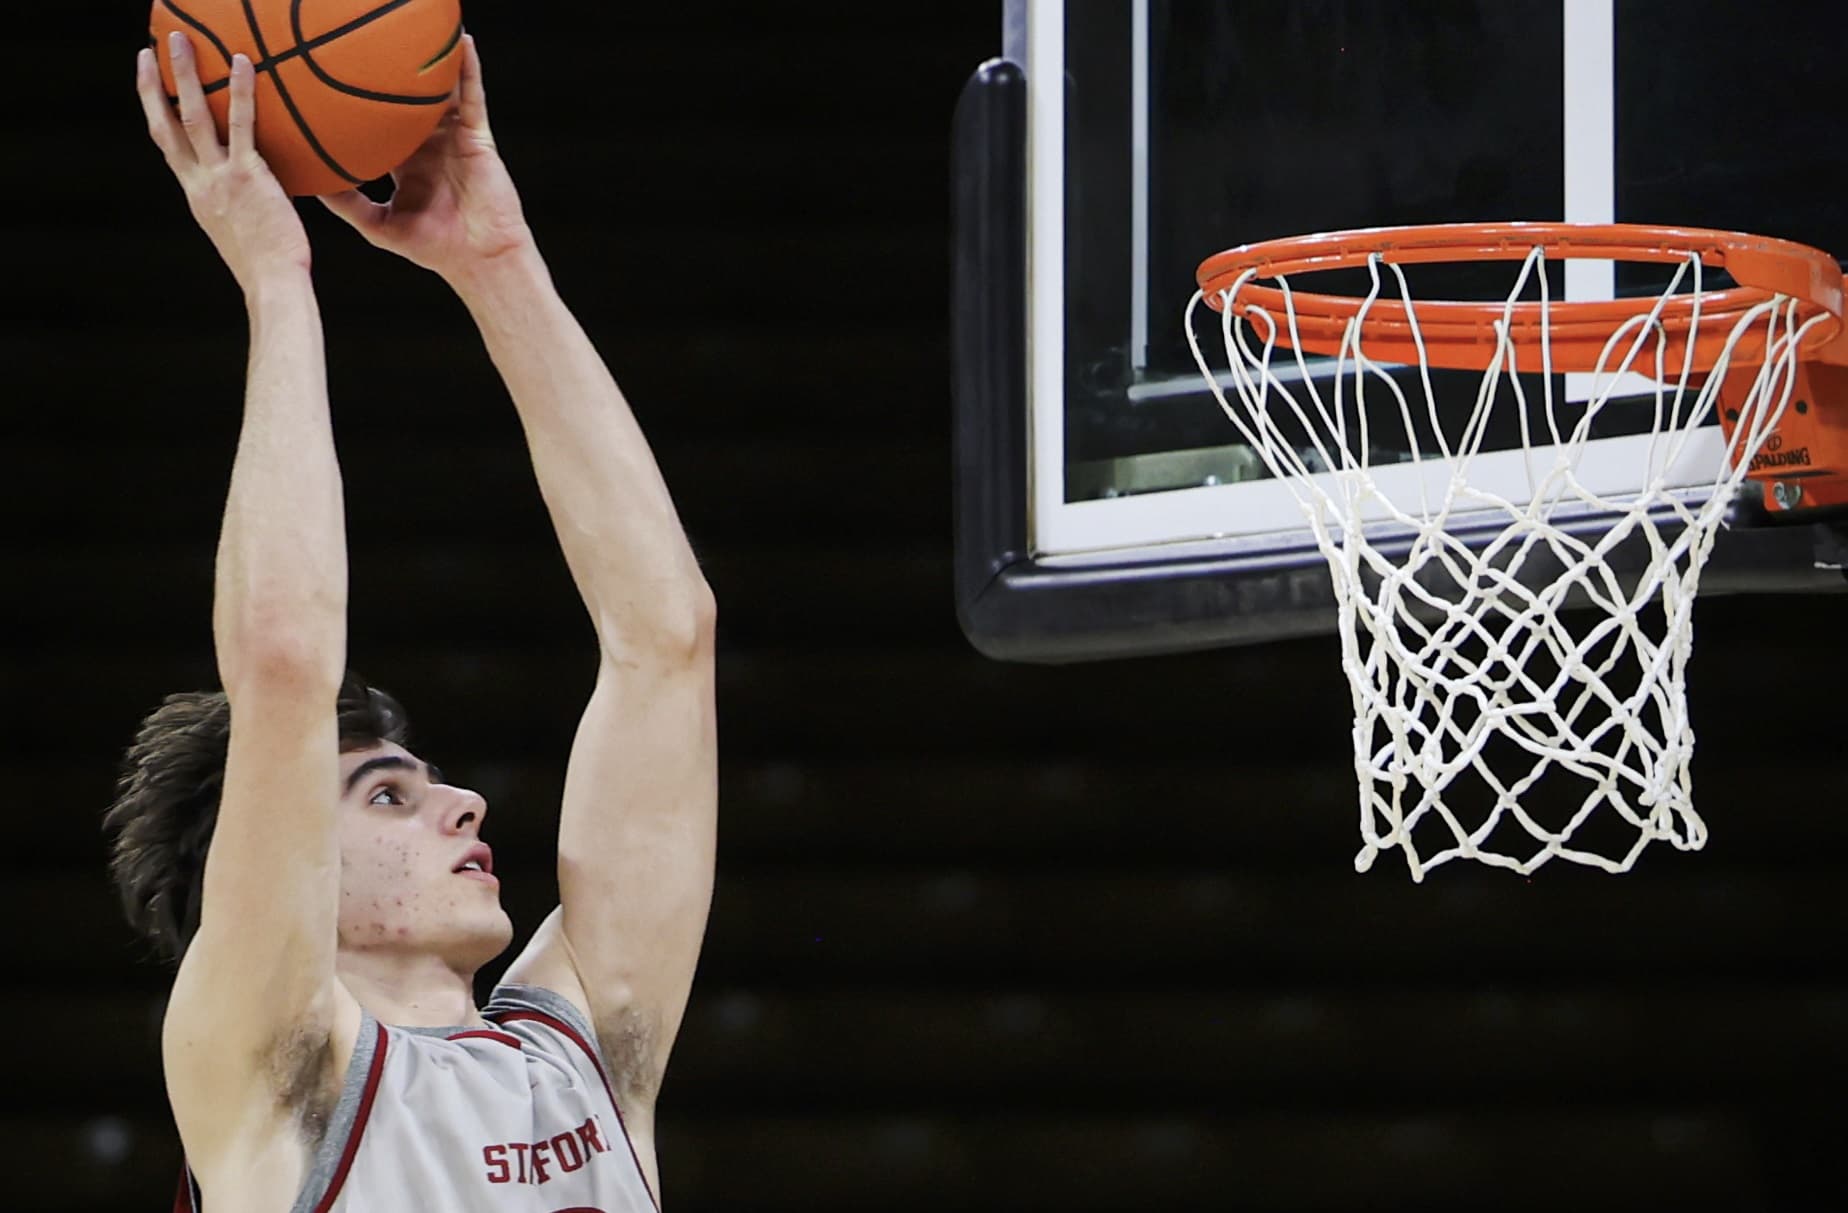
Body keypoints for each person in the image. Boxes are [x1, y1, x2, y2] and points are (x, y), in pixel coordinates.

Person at [110, 29, 717, 1212]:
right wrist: (275, 284)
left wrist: (496, 262)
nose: (466, 802)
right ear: (290, 872)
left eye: (422, 782)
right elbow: (284, 662)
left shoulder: (588, 1052)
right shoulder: (271, 1076)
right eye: (388, 793)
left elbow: (666, 636)